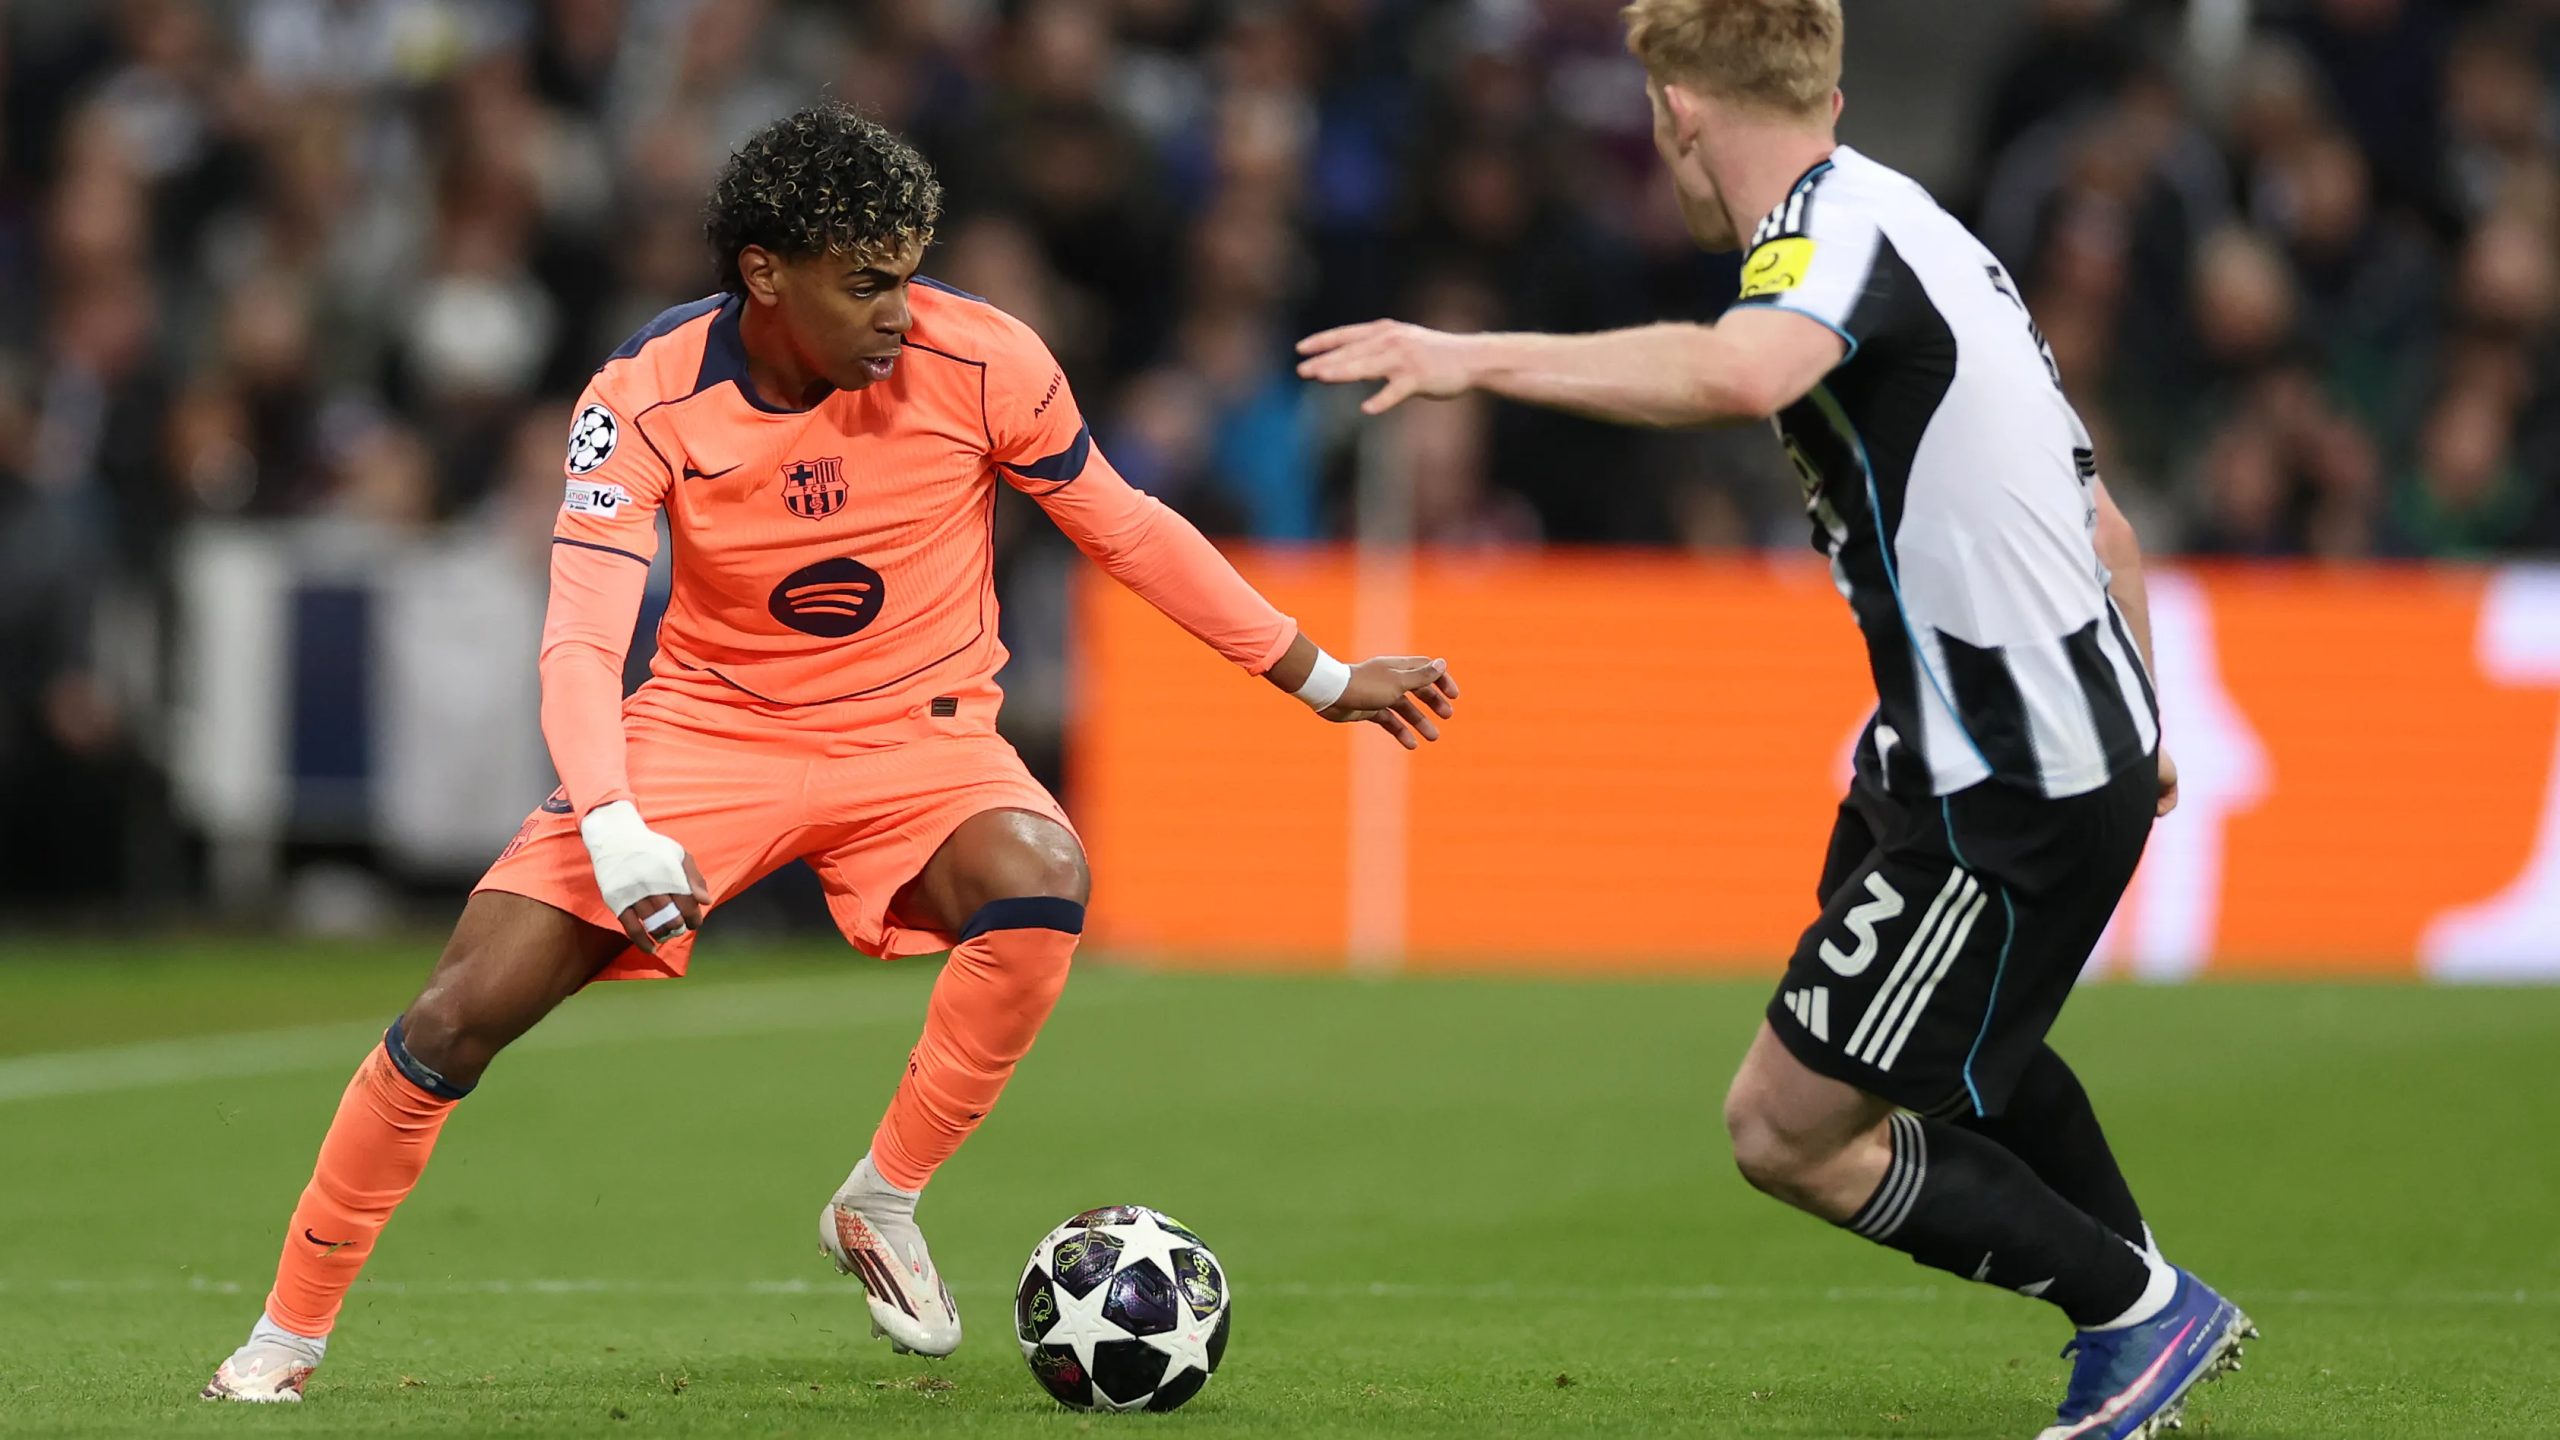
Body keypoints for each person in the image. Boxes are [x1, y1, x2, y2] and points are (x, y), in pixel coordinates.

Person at [203, 103, 1460, 1403]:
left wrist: (1317, 676)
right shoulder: (642, 397)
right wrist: (614, 818)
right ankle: (284, 1340)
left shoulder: (986, 359)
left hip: (921, 733)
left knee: (1042, 876)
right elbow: (580, 638)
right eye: (866, 284)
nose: (900, 313)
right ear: (766, 273)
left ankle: (883, 1197)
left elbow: (1125, 527)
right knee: (459, 1013)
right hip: (710, 730)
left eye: (909, 276)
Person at [1296, 3, 2246, 1437]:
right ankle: (2141, 1301)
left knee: (1784, 1127)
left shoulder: (1830, 238)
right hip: (1989, 743)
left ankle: (2138, 1311)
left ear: (1676, 110)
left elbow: (1742, 372)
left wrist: (1472, 356)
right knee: (1943, 1057)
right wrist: (2143, 717)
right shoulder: (1927, 231)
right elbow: (2102, 522)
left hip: (2007, 770)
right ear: (1831, 91)